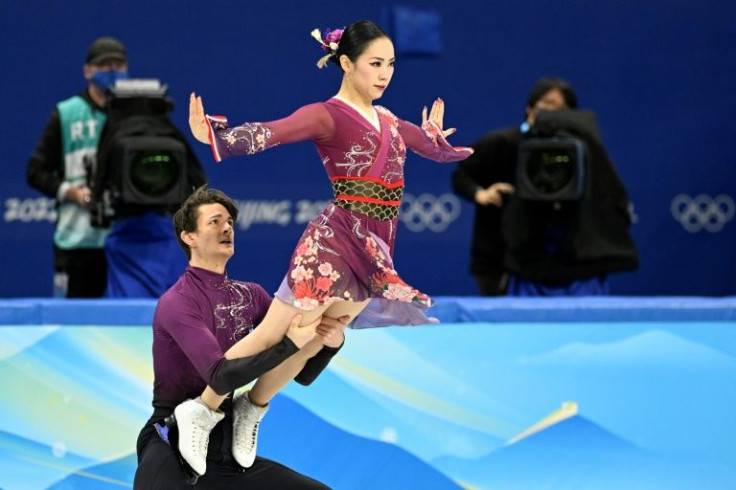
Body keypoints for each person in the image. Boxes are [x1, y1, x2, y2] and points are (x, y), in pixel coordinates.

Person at [181, 19, 473, 476]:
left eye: (391, 64)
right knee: (275, 333)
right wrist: (218, 137)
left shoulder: (392, 123)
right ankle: (202, 408)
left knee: (315, 341)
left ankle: (251, 409)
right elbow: (269, 133)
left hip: (375, 252)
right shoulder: (327, 115)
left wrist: (435, 139)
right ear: (345, 63)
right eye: (374, 63)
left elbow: (432, 150)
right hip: (333, 241)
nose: (384, 73)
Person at [134, 186, 345, 489]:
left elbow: (303, 373)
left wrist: (330, 343)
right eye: (215, 222)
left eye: (230, 222)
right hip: (173, 442)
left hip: (225, 449)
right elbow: (220, 376)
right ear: (188, 237)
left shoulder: (251, 296)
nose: (227, 227)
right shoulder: (177, 302)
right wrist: (289, 344)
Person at [452, 77, 638, 296]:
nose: (552, 113)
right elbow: (461, 174)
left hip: (571, 258)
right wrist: (480, 194)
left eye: (561, 108)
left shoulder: (586, 151)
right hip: (501, 256)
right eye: (547, 104)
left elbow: (612, 199)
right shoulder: (502, 142)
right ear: (529, 108)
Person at [26, 36, 129, 297]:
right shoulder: (66, 113)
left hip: (124, 240)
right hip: (76, 243)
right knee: (70, 324)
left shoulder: (137, 114)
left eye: (118, 65)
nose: (112, 72)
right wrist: (75, 194)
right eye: (104, 65)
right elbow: (35, 173)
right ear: (88, 71)